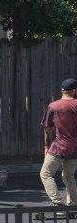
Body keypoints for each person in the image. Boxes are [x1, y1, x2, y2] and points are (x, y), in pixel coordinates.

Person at [39, 78, 77, 207]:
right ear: (74, 91)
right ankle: (73, 205)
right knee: (69, 176)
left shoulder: (53, 106)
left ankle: (57, 202)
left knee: (45, 173)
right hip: (75, 148)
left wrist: (46, 146)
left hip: (59, 147)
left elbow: (47, 128)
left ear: (62, 91)